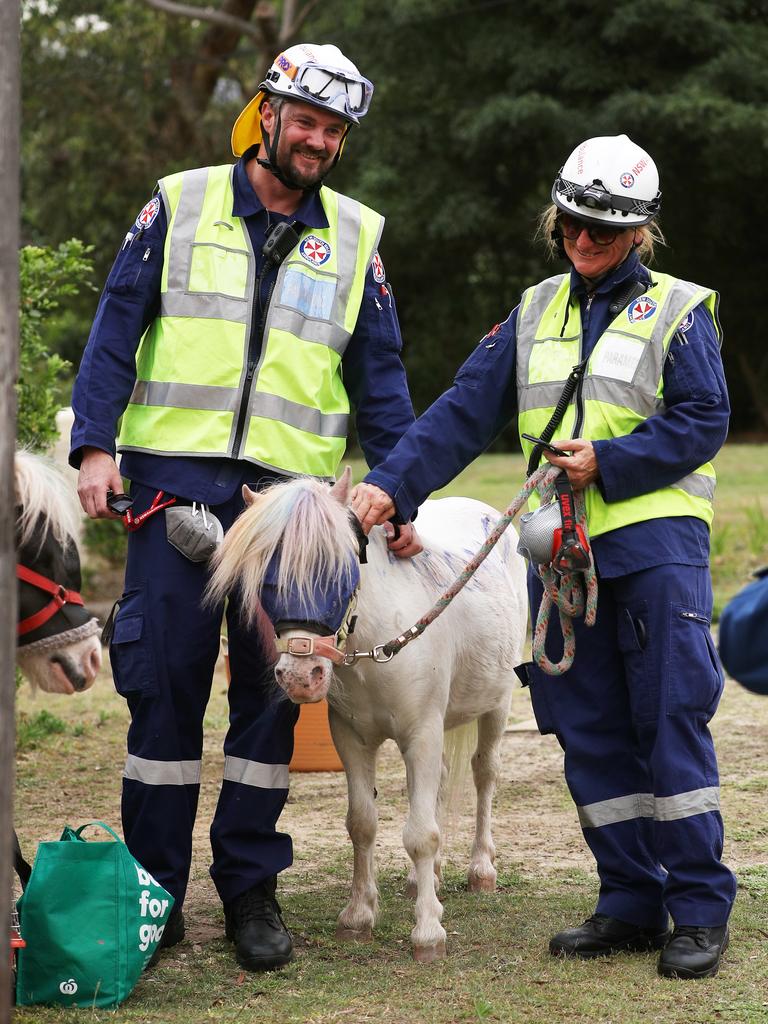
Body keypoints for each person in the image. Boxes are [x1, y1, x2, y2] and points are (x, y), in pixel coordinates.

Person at [70, 42, 420, 973]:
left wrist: (401, 489)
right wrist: (96, 446)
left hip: (292, 510)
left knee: (274, 700)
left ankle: (250, 892)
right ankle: (154, 895)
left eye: (334, 129)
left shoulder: (356, 238)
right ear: (267, 114)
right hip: (172, 488)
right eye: (306, 120)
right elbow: (116, 324)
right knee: (166, 688)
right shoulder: (177, 203)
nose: (319, 140)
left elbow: (381, 378)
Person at [351, 135, 735, 981]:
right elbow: (458, 413)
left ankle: (700, 909)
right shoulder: (533, 312)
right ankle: (630, 901)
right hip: (556, 555)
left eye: (604, 231)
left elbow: (705, 416)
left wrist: (613, 461)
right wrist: (390, 486)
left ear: (640, 231)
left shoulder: (679, 309)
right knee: (589, 730)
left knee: (666, 722)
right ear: (555, 219)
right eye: (572, 226)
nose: (585, 243)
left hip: (654, 549)